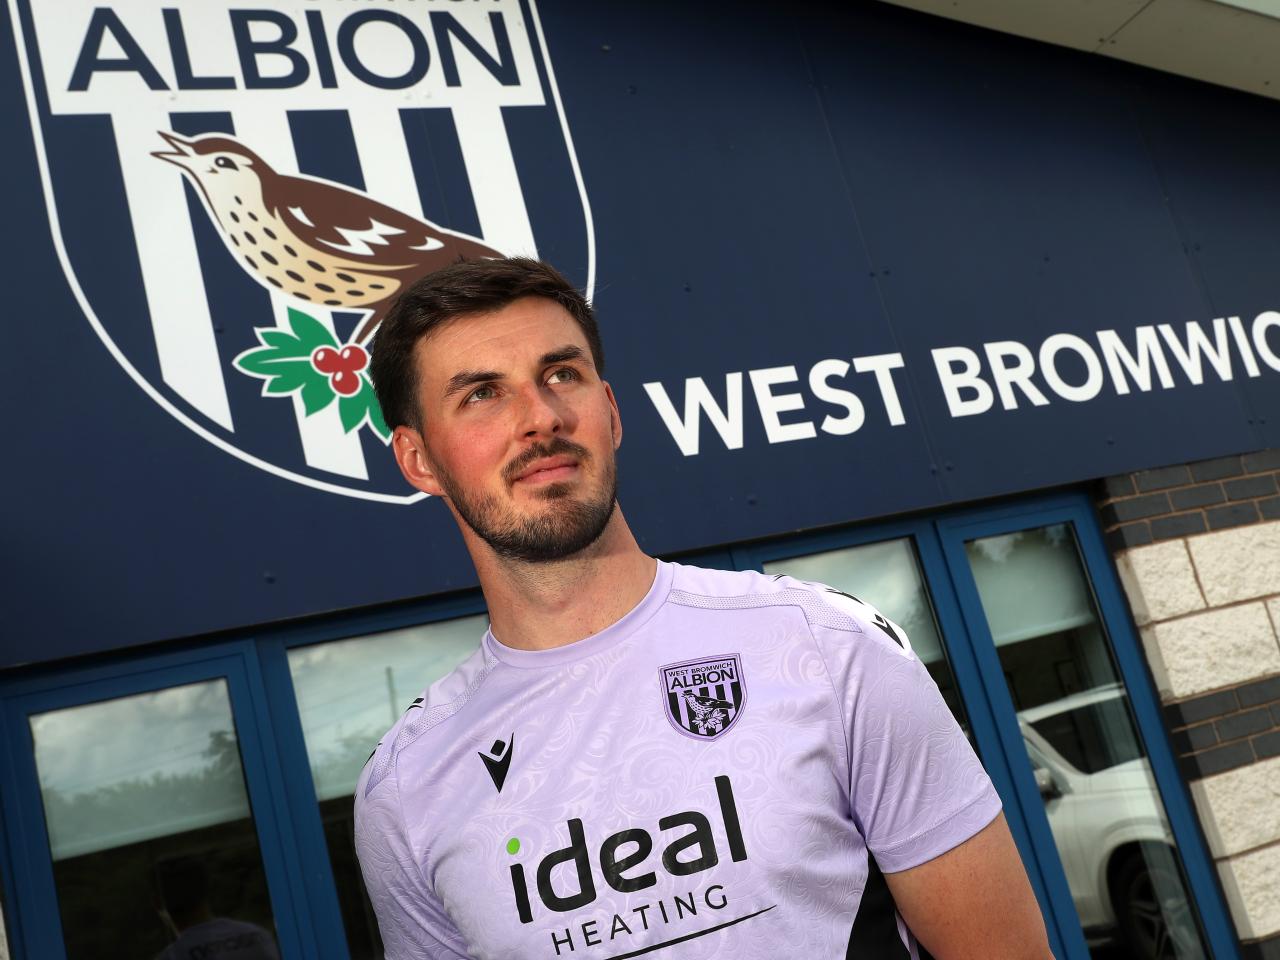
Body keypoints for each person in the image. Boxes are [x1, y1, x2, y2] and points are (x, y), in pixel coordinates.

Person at [355, 258, 1053, 959]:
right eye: (481, 394)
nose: (541, 418)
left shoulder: (823, 647)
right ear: (417, 460)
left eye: (562, 375)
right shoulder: (408, 785)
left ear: (611, 411)